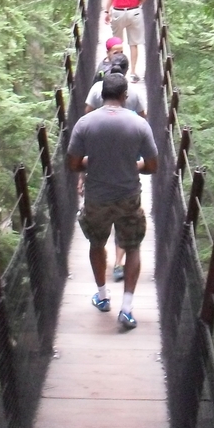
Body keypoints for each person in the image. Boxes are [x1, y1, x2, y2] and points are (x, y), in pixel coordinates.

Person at [67, 72, 158, 329]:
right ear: (124, 96)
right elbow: (152, 166)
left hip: (96, 198)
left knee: (96, 243)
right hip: (128, 196)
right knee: (133, 247)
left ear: (101, 95)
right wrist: (132, 166)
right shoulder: (139, 124)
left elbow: (73, 164)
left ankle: (103, 296)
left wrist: (94, 163)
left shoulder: (84, 123)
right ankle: (126, 309)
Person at [104, 0, 148, 81]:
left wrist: (107, 12)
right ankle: (133, 72)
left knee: (117, 44)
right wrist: (138, 4)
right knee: (133, 44)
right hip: (134, 12)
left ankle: (117, 71)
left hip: (118, 12)